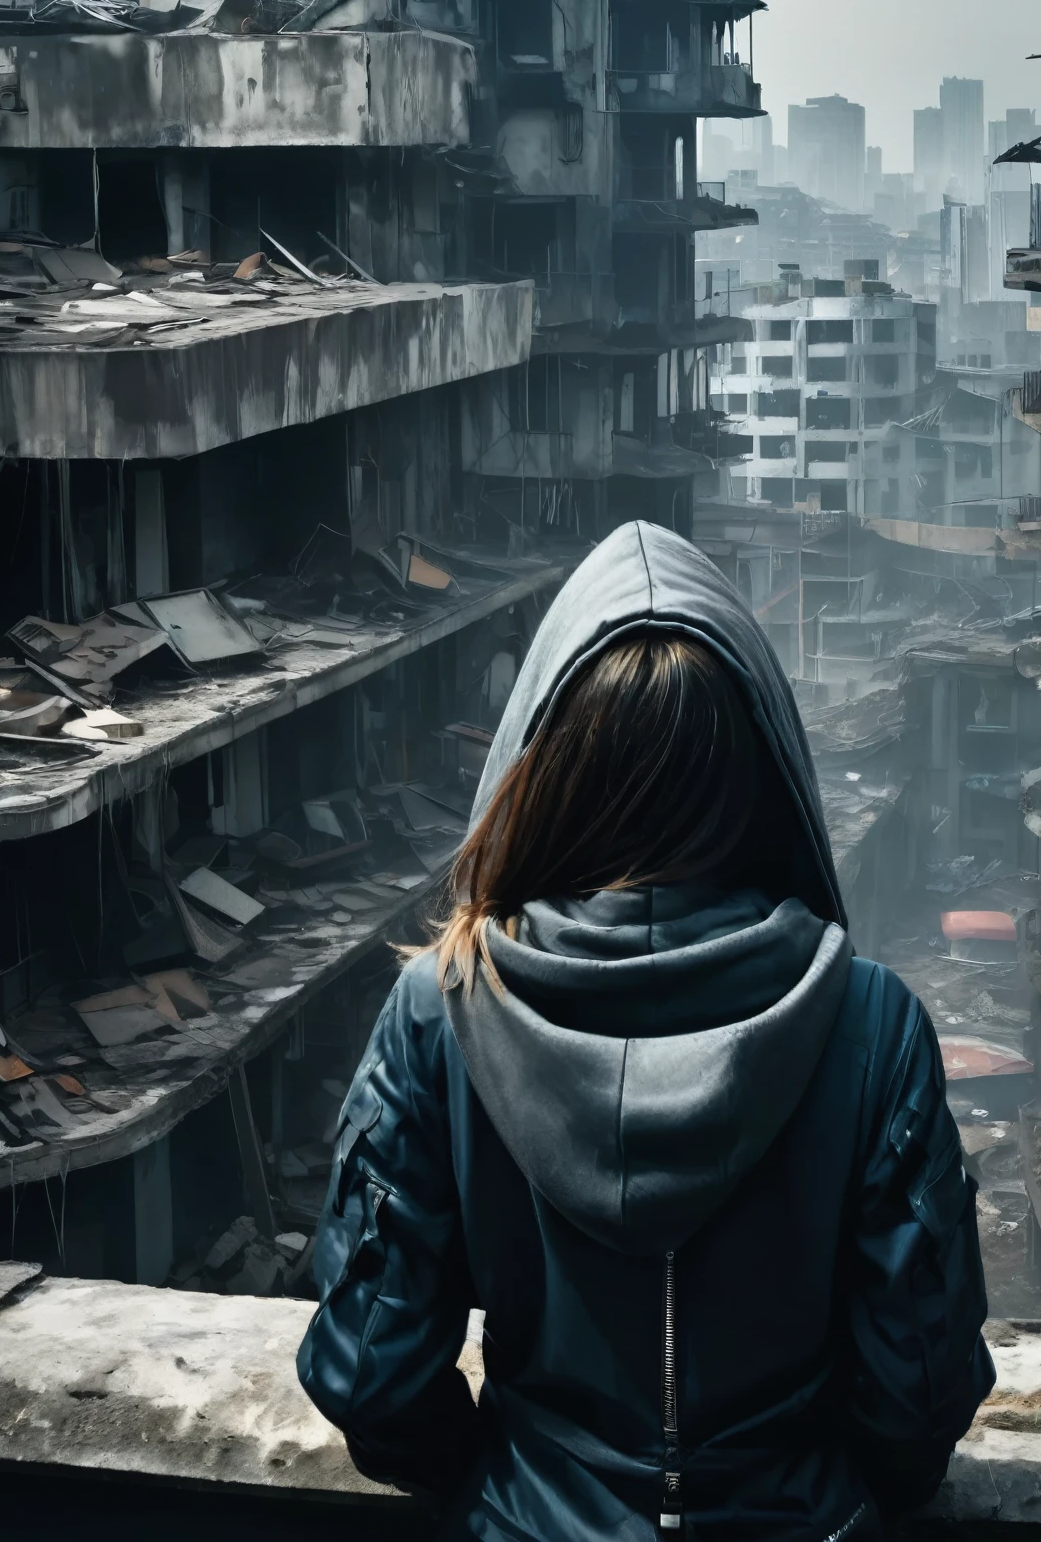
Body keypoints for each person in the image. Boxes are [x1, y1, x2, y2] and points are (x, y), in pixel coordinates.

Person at [298, 521, 993, 1539]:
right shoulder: (870, 1023)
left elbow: (371, 1370)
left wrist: (495, 1485)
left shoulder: (440, 1008)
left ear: (540, 768)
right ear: (760, 772)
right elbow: (917, 1392)